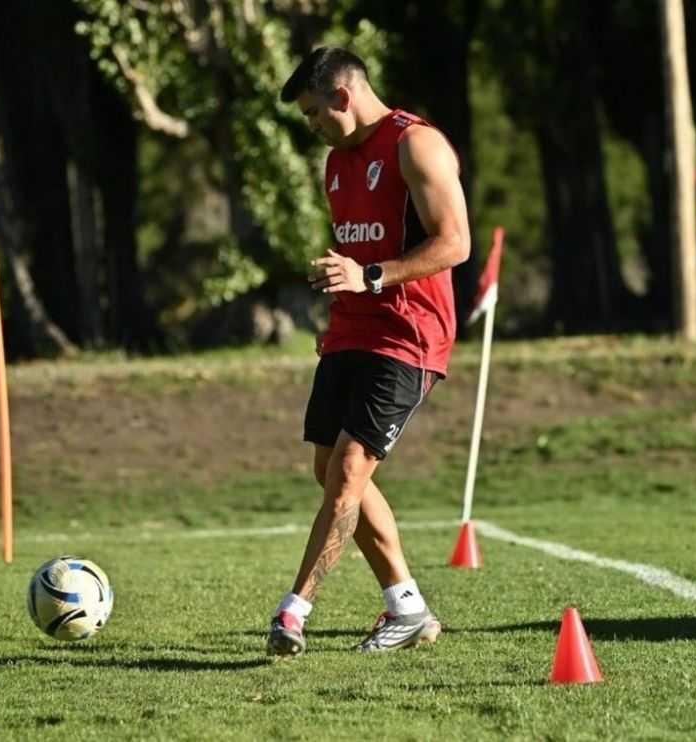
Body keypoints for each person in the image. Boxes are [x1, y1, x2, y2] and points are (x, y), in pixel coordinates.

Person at [267, 47, 470, 657]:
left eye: (312, 112)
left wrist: (371, 277)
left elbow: (455, 243)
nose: (310, 125)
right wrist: (339, 299)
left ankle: (294, 610)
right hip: (351, 330)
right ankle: (407, 608)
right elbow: (356, 253)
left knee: (350, 472)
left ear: (343, 96)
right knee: (328, 469)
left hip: (409, 333)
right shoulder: (336, 163)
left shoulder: (416, 145)